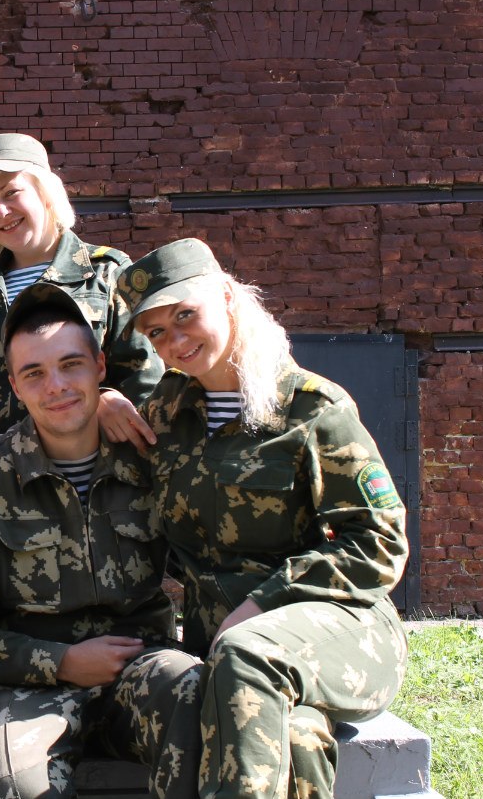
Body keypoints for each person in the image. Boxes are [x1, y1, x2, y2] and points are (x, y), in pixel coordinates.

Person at [121, 238, 409, 799]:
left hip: (339, 632)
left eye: (185, 316)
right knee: (296, 737)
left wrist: (262, 603)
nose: (174, 341)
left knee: (249, 654)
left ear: (228, 298)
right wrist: (107, 400)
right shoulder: (166, 416)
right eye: (156, 332)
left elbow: (379, 542)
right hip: (232, 655)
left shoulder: (313, 409)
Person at [0, 283, 201, 799]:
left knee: (199, 700)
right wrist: (61, 662)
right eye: (34, 373)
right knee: (19, 784)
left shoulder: (150, 461)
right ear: (14, 386)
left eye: (71, 365)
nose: (57, 386)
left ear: (100, 367)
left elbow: (208, 562)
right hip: (27, 685)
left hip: (142, 665)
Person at [0, 133, 162, 454]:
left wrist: (106, 396)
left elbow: (145, 383)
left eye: (11, 193)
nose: (1, 212)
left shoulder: (106, 274)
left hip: (86, 472)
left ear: (46, 193)